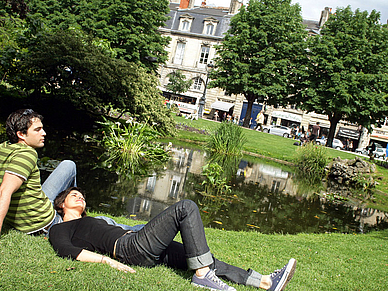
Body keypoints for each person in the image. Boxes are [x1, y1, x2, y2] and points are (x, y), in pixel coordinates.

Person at [50, 187, 297, 291]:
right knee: (186, 207)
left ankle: (264, 282)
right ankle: (202, 280)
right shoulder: (62, 228)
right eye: (74, 195)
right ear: (62, 204)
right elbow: (67, 251)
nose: (80, 197)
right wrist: (110, 263)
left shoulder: (97, 219)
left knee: (201, 256)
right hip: (129, 248)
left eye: (82, 195)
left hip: (137, 241)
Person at [0, 109, 77, 235]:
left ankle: (71, 210)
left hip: (34, 205)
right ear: (21, 134)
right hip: (42, 223)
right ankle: (72, 215)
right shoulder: (27, 154)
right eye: (37, 130)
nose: (44, 133)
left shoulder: (4, 147)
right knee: (103, 223)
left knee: (69, 165)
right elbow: (4, 191)